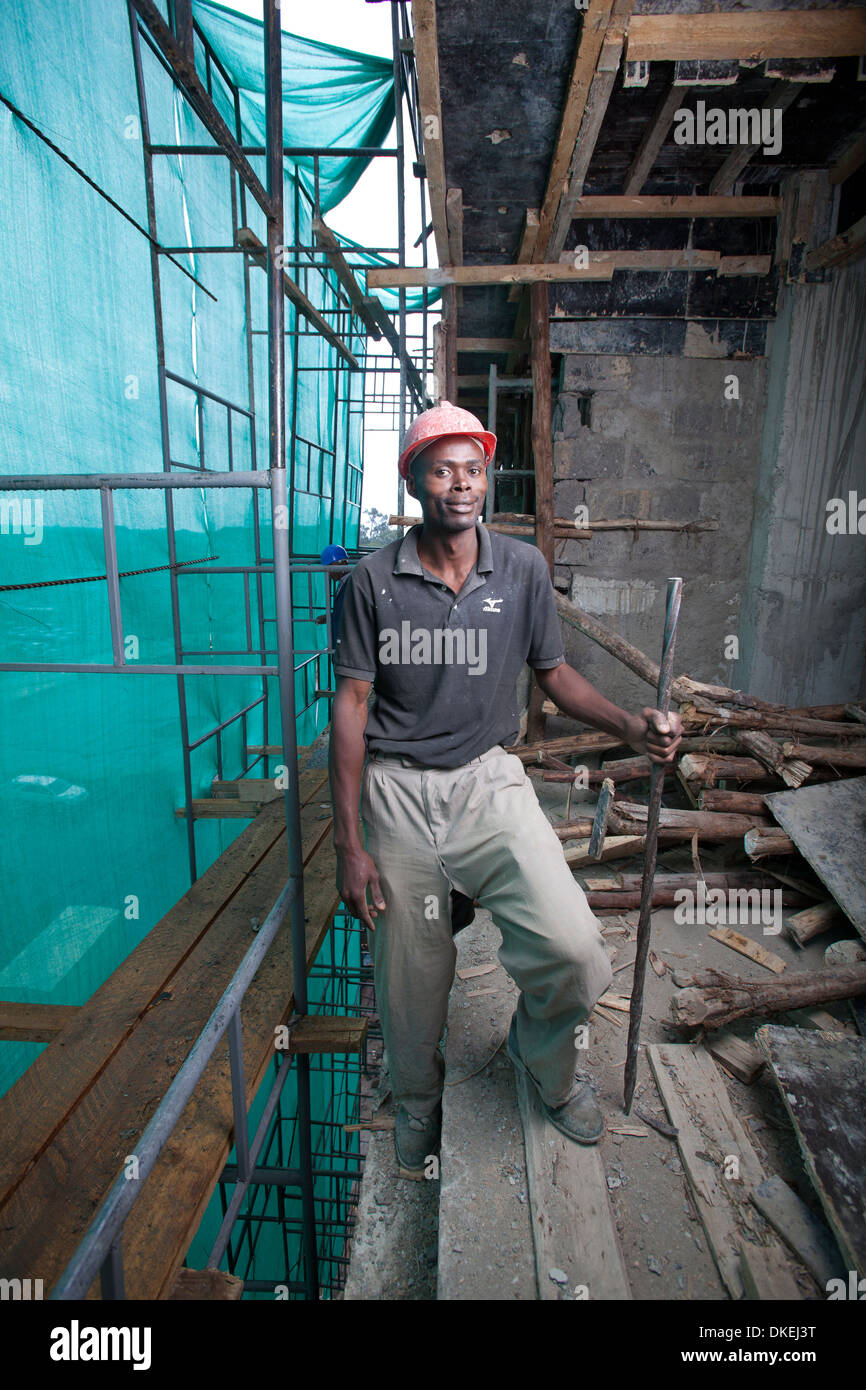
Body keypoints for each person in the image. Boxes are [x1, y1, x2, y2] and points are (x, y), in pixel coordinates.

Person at [328, 403, 682, 1176]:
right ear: (415, 480)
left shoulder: (521, 569)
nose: (461, 485)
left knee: (577, 952)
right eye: (442, 468)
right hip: (395, 789)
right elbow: (351, 707)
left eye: (474, 469)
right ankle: (417, 1102)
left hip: (489, 781)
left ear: (488, 477)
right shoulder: (370, 583)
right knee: (412, 979)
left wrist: (629, 724)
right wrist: (350, 844)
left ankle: (543, 1062)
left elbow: (553, 677)